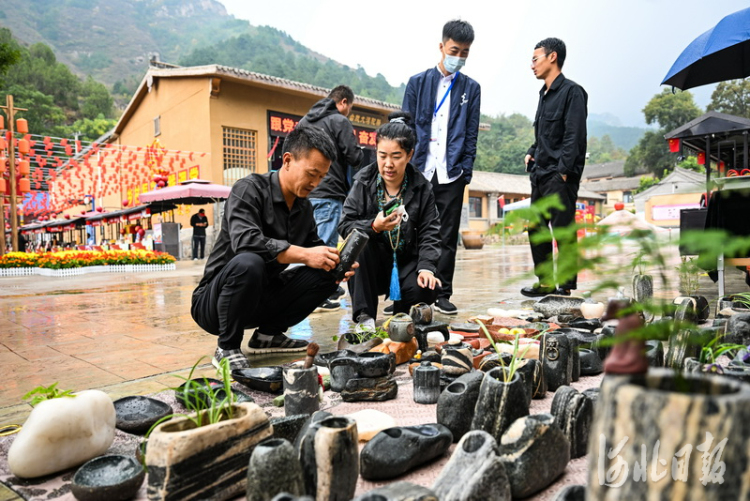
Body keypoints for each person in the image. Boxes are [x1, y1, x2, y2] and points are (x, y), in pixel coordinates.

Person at [191, 126, 356, 370]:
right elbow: (245, 241)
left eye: (322, 177)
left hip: (260, 299)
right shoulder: (248, 189)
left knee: (328, 271)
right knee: (250, 262)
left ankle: (267, 336)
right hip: (215, 303)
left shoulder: (304, 209)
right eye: (312, 173)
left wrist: (337, 262)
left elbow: (315, 249)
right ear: (287, 160)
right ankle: (227, 346)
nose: (316, 183)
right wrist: (305, 255)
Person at [402, 19, 481, 315]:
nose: (458, 57)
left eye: (465, 53)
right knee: (411, 231)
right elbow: (405, 128)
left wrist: (466, 172)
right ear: (441, 46)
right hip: (421, 169)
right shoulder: (417, 83)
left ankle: (442, 292)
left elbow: (471, 134)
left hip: (452, 172)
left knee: (447, 236)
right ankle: (410, 293)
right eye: (454, 50)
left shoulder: (471, 89)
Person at [339, 112, 441, 331]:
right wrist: (374, 227)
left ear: (409, 154)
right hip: (372, 266)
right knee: (359, 245)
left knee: (428, 286)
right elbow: (345, 224)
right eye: (382, 155)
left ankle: (402, 314)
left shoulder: (422, 188)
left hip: (405, 262)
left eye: (396, 156)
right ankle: (364, 317)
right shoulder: (363, 182)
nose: (388, 164)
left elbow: (429, 232)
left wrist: (426, 268)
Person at [521, 37, 588, 297]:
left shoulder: (573, 92)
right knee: (536, 228)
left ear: (553, 57)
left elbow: (574, 136)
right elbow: (544, 137)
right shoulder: (544, 95)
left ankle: (566, 285)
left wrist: (563, 171)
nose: (532, 65)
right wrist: (531, 152)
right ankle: (546, 282)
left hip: (560, 175)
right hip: (540, 174)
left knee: (562, 230)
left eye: (535, 58)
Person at [298, 85, 364, 312]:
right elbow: (354, 156)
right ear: (344, 102)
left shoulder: (305, 121)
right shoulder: (339, 121)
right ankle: (317, 296)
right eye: (350, 108)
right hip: (329, 191)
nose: (348, 113)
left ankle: (312, 290)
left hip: (304, 193)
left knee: (307, 244)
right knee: (325, 245)